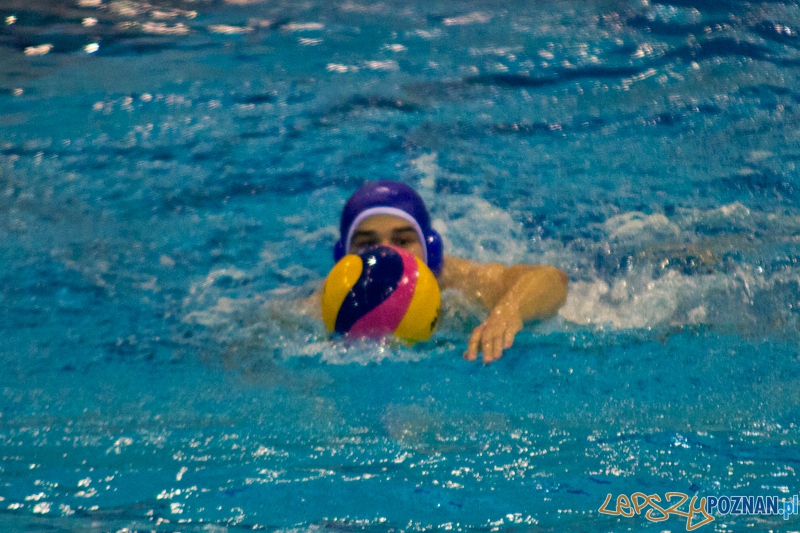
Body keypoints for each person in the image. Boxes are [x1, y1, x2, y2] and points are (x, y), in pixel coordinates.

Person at [326, 181, 568, 364]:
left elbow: (553, 278)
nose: (386, 254)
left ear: (430, 249)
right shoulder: (327, 306)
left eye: (402, 240)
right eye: (367, 244)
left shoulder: (458, 284)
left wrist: (509, 310)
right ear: (343, 259)